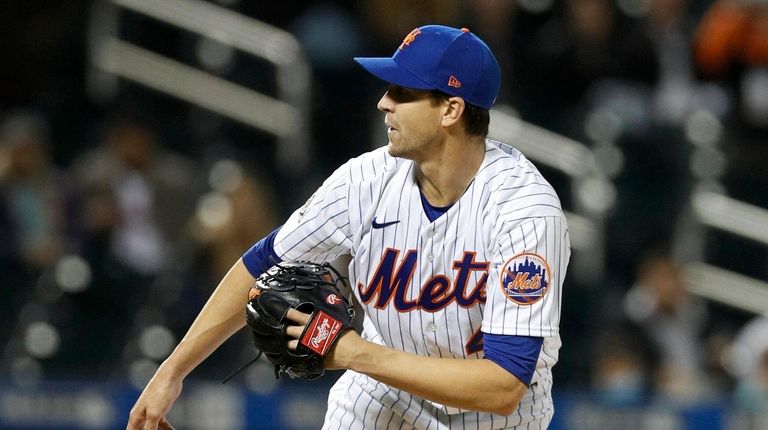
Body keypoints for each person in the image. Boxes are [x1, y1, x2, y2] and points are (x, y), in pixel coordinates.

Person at [127, 24, 570, 429]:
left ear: (451, 109)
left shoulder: (524, 211)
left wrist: (355, 352)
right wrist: (172, 371)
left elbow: (503, 386)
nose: (384, 102)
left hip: (493, 420)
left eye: (403, 91)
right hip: (382, 396)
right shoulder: (364, 180)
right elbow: (263, 263)